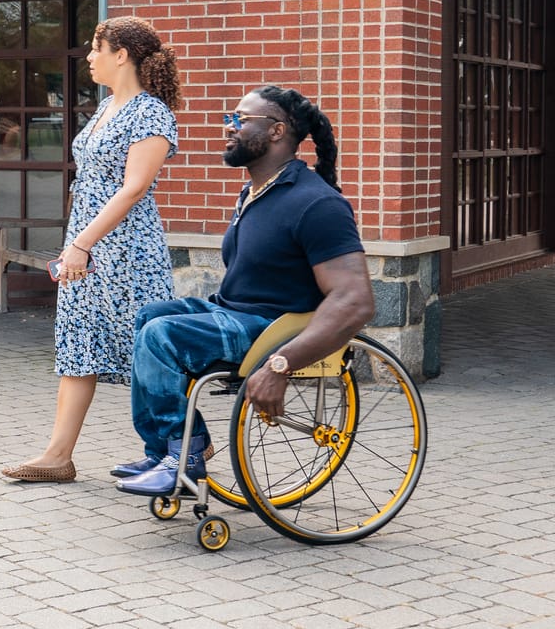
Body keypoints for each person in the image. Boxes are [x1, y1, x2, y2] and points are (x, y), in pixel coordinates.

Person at [113, 85, 375, 495]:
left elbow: (355, 300)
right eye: (229, 118)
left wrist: (280, 364)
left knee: (160, 336)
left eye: (240, 119)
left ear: (276, 131)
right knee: (151, 316)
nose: (229, 128)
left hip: (272, 325)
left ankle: (186, 453)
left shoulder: (316, 203)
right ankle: (166, 449)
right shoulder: (257, 192)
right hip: (236, 311)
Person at [2, 16, 181, 483]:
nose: (88, 57)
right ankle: (58, 456)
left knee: (148, 353)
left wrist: (81, 244)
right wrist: (74, 245)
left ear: (121, 55)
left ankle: (177, 451)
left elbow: (134, 188)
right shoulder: (105, 108)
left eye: (95, 49)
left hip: (128, 254)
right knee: (78, 345)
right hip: (85, 249)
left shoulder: (151, 112)